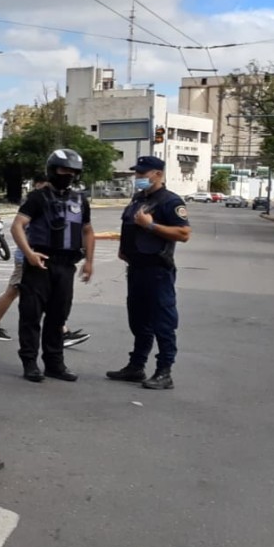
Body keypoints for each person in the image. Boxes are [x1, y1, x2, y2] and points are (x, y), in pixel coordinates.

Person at [107, 156, 191, 390]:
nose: (138, 178)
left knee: (163, 322)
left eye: (143, 174)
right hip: (136, 268)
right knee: (139, 320)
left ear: (158, 174)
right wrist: (124, 249)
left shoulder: (170, 201)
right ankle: (136, 366)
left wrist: (151, 226)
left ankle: (165, 371)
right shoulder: (138, 199)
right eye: (137, 174)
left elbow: (184, 234)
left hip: (158, 270)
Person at [11, 150, 95, 382]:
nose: (67, 175)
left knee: (58, 316)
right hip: (40, 262)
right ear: (52, 170)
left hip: (66, 265)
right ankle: (30, 362)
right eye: (63, 170)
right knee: (31, 315)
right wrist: (28, 253)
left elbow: (87, 230)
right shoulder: (38, 198)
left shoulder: (79, 199)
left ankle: (54, 363)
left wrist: (89, 261)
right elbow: (18, 225)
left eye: (72, 172)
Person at [0, 177, 89, 348]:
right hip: (27, 255)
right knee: (17, 292)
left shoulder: (48, 201)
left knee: (29, 293)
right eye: (46, 183)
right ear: (39, 184)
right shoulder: (36, 201)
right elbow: (21, 228)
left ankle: (62, 331)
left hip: (32, 255)